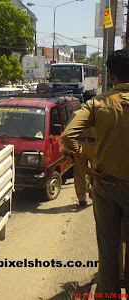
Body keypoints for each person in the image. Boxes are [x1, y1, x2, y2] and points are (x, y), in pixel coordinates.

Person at [61, 49, 129, 296]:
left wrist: (84, 165)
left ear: (111, 76)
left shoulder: (97, 102)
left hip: (107, 186)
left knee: (108, 250)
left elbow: (69, 136)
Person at [72, 127, 97, 207]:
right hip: (95, 144)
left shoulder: (78, 114)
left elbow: (69, 132)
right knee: (97, 171)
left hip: (80, 144)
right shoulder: (101, 113)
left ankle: (82, 199)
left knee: (80, 173)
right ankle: (95, 195)